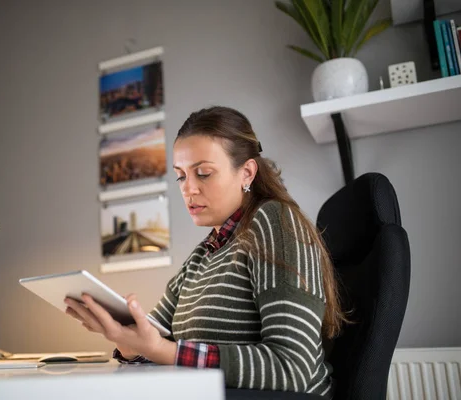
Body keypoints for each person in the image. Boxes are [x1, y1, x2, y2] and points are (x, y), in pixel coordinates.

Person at [65, 106, 346, 397]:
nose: (189, 189)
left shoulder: (275, 221)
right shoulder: (205, 254)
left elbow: (292, 368)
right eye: (181, 176)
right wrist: (127, 341)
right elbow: (154, 338)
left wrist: (162, 350)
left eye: (203, 173)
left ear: (247, 173)